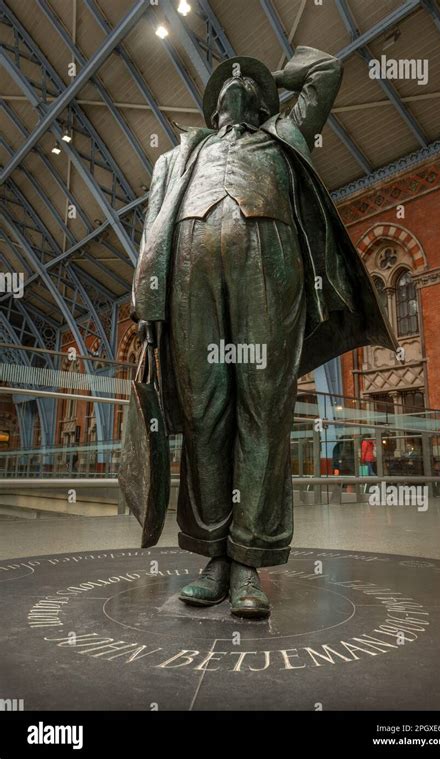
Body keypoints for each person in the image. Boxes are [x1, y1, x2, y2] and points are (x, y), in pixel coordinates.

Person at [128, 46, 397, 619]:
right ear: (210, 106)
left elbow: (327, 71)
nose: (235, 87)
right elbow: (153, 227)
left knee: (262, 406)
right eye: (226, 83)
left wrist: (265, 76)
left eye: (244, 86)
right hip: (190, 270)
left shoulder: (285, 133)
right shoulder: (179, 157)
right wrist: (147, 302)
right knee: (205, 411)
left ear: (260, 101)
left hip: (268, 262)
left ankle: (248, 558)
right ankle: (213, 557)